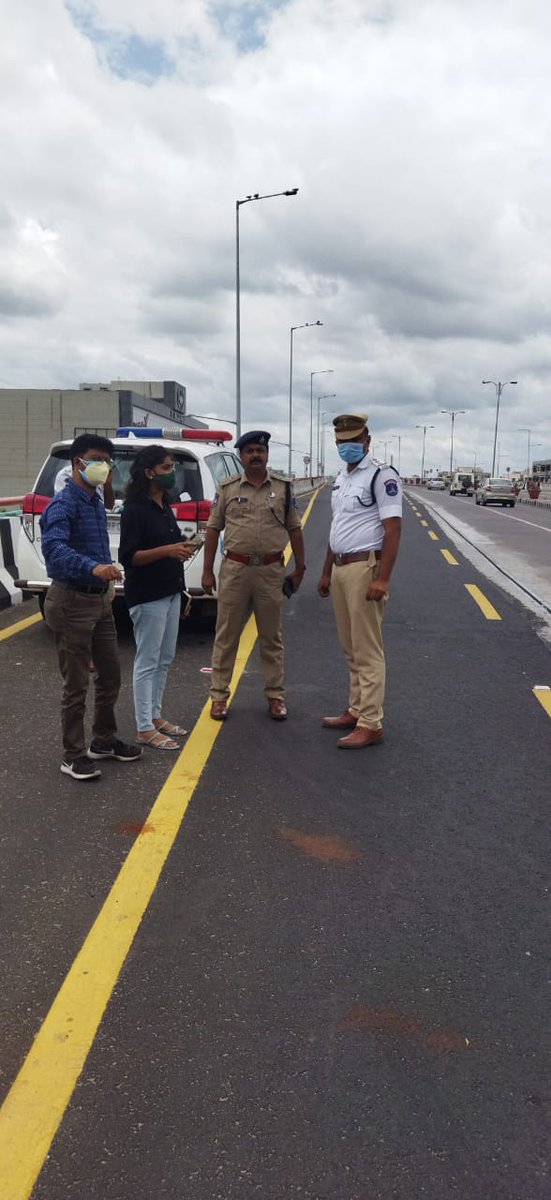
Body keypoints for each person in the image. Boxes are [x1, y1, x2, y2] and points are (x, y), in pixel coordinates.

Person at [40, 434, 141, 781]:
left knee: (110, 674)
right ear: (77, 463)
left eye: (107, 461)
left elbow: (109, 500)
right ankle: (72, 754)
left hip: (99, 600)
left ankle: (103, 740)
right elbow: (53, 549)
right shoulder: (63, 503)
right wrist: (93, 567)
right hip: (71, 601)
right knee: (76, 684)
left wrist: (102, 575)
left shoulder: (93, 499)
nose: (103, 466)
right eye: (97, 459)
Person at [201, 430, 306, 721]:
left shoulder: (283, 488)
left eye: (260, 450)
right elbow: (212, 529)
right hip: (235, 570)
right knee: (226, 636)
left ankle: (275, 696)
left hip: (271, 571)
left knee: (272, 637)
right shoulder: (227, 488)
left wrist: (300, 567)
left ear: (267, 454)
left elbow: (294, 529)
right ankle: (219, 696)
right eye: (249, 451)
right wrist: (208, 571)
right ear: (241, 456)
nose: (255, 455)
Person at [317, 413, 402, 748]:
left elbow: (393, 529)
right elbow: (338, 528)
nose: (346, 447)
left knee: (367, 650)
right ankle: (356, 709)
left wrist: (383, 578)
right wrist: (326, 571)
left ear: (367, 440)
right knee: (350, 647)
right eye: (341, 442)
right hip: (340, 568)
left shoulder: (382, 475)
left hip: (365, 568)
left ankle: (371, 723)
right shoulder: (343, 477)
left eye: (353, 441)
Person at [118, 446, 196, 750]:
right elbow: (130, 557)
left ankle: (155, 715)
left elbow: (169, 546)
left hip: (170, 590)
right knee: (147, 661)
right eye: (166, 468)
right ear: (149, 473)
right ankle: (143, 727)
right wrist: (168, 551)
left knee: (165, 659)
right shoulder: (135, 510)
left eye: (172, 466)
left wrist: (182, 547)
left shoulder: (165, 506)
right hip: (148, 595)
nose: (171, 472)